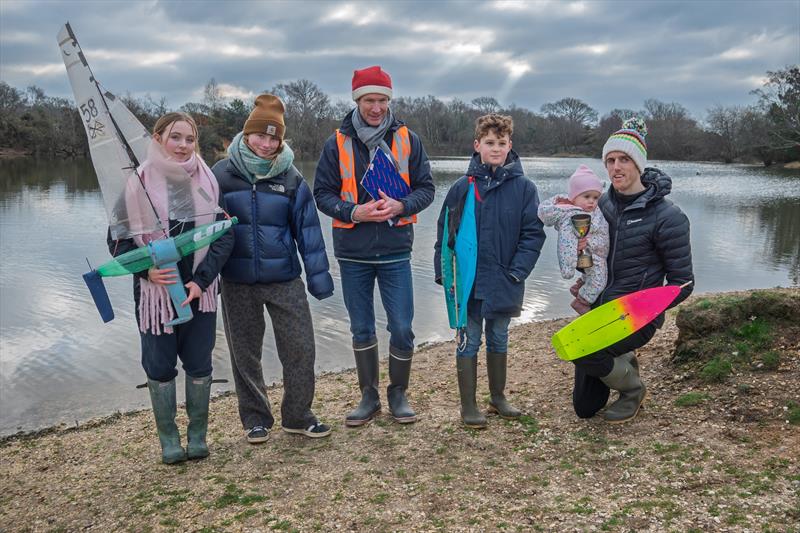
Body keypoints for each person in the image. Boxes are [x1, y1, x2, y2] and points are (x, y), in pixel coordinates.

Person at [314, 66, 435, 426]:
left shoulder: (409, 139)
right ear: (356, 100)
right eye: (370, 100)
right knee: (361, 327)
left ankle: (398, 393)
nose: (377, 107)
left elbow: (426, 189)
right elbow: (321, 194)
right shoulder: (335, 142)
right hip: (353, 252)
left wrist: (402, 206)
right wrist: (353, 211)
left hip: (396, 249)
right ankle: (368, 396)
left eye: (383, 100)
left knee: (401, 326)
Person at [110, 112, 233, 464]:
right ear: (159, 138)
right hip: (155, 298)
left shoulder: (207, 181)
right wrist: (147, 270)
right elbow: (116, 244)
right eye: (175, 137)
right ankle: (169, 440)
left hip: (200, 293)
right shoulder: (137, 184)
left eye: (189, 139)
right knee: (160, 366)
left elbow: (224, 236)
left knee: (199, 363)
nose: (183, 145)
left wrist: (201, 280)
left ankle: (197, 436)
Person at [212, 94, 334, 442]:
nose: (266, 144)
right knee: (245, 354)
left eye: (273, 138)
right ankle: (255, 418)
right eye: (260, 136)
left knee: (300, 348)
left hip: (284, 278)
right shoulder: (221, 174)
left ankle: (298, 414)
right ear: (246, 134)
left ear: (281, 140)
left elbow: (309, 232)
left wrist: (319, 280)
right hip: (236, 280)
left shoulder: (292, 178)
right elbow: (203, 227)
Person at [571, 117, 694, 423]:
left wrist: (643, 309)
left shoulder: (669, 217)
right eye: (610, 160)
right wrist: (581, 265)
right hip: (599, 307)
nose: (615, 167)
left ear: (638, 164)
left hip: (635, 315)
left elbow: (684, 282)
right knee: (585, 409)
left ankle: (633, 390)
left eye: (624, 159)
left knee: (585, 351)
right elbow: (592, 253)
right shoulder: (600, 203)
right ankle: (620, 359)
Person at [434, 113, 546, 428]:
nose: (495, 149)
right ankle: (468, 406)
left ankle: (498, 398)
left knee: (498, 337)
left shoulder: (525, 188)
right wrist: (445, 274)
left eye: (501, 143)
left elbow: (533, 234)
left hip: (504, 281)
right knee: (469, 340)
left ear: (510, 146)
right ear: (477, 145)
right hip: (468, 283)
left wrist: (517, 272)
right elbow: (446, 233)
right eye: (489, 143)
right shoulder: (461, 187)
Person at [537, 164, 609, 315]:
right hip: (592, 255)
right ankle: (582, 301)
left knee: (593, 274)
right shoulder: (571, 216)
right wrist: (568, 268)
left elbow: (602, 231)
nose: (592, 202)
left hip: (595, 253)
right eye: (587, 197)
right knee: (599, 280)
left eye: (595, 198)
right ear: (574, 197)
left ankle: (580, 286)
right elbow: (567, 245)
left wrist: (591, 242)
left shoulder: (596, 211)